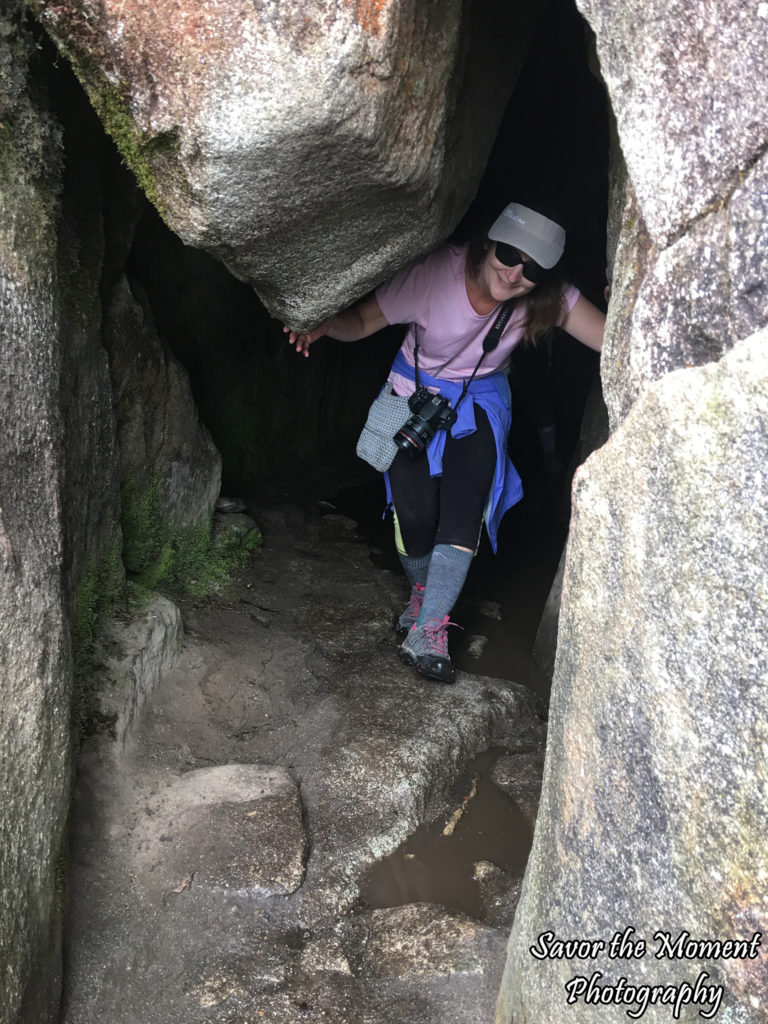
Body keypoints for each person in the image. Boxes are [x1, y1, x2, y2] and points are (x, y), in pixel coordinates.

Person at [285, 202, 605, 684]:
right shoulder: (434, 275)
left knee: (463, 505)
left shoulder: (548, 298)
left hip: (480, 396)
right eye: (509, 254)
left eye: (533, 268)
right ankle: (422, 595)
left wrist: (629, 303)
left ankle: (429, 628)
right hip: (415, 389)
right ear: (487, 242)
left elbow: (612, 338)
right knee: (413, 513)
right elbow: (364, 322)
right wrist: (327, 324)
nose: (515, 272)